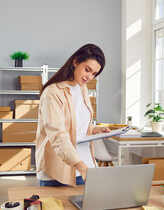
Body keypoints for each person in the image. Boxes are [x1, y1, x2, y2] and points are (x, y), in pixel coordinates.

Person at [36, 43, 110, 187]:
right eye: (87, 70)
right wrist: (82, 167)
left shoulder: (82, 88)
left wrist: (94, 130)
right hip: (59, 172)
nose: (89, 77)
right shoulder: (52, 93)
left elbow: (77, 124)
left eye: (94, 74)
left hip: (86, 167)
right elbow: (58, 136)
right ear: (75, 61)